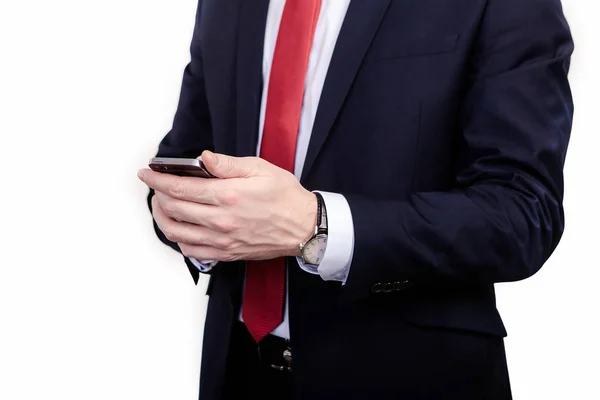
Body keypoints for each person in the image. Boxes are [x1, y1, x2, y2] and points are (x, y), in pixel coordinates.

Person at [138, 0, 574, 398]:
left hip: (409, 377)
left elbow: (523, 213)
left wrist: (318, 226)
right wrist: (183, 214)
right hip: (235, 370)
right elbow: (189, 155)